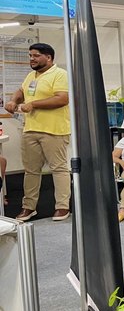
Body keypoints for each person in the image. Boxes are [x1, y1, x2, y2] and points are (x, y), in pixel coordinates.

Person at [4, 43, 70, 222]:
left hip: (54, 130)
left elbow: (62, 99)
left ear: (48, 57)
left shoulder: (60, 74)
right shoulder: (31, 75)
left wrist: (33, 104)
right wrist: (13, 100)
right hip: (30, 129)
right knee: (31, 171)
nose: (31, 59)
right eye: (30, 55)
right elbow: (21, 91)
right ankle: (28, 207)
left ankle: (62, 207)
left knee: (59, 169)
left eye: (36, 55)